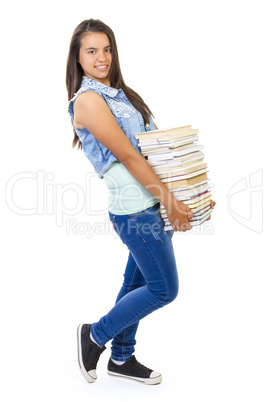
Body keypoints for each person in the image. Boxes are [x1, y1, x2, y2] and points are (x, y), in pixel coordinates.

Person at [66, 18, 216, 385]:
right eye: (92, 51)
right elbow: (130, 159)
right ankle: (94, 335)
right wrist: (170, 200)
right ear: (78, 58)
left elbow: (154, 153)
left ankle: (121, 357)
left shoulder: (122, 95)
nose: (102, 57)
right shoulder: (87, 101)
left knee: (135, 285)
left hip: (153, 203)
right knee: (164, 288)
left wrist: (187, 198)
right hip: (135, 210)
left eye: (107, 49)